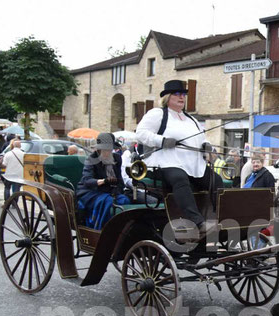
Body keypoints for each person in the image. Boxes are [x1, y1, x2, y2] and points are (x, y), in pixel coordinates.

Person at [136, 80, 222, 236]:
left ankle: (219, 217)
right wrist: (161, 140)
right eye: (177, 94)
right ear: (168, 97)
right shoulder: (157, 114)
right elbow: (141, 133)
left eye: (183, 94)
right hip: (166, 161)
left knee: (216, 180)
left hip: (193, 163)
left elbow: (202, 138)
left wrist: (207, 146)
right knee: (179, 178)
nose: (181, 97)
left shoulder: (192, 119)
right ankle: (197, 222)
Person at [76, 132, 130, 229]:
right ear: (99, 149)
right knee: (108, 202)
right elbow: (87, 180)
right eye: (104, 150)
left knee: (125, 200)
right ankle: (103, 229)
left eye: (109, 150)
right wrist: (103, 181)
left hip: (110, 192)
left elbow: (119, 180)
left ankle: (121, 228)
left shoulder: (117, 158)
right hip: (92, 191)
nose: (107, 153)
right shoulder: (91, 159)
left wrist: (118, 191)